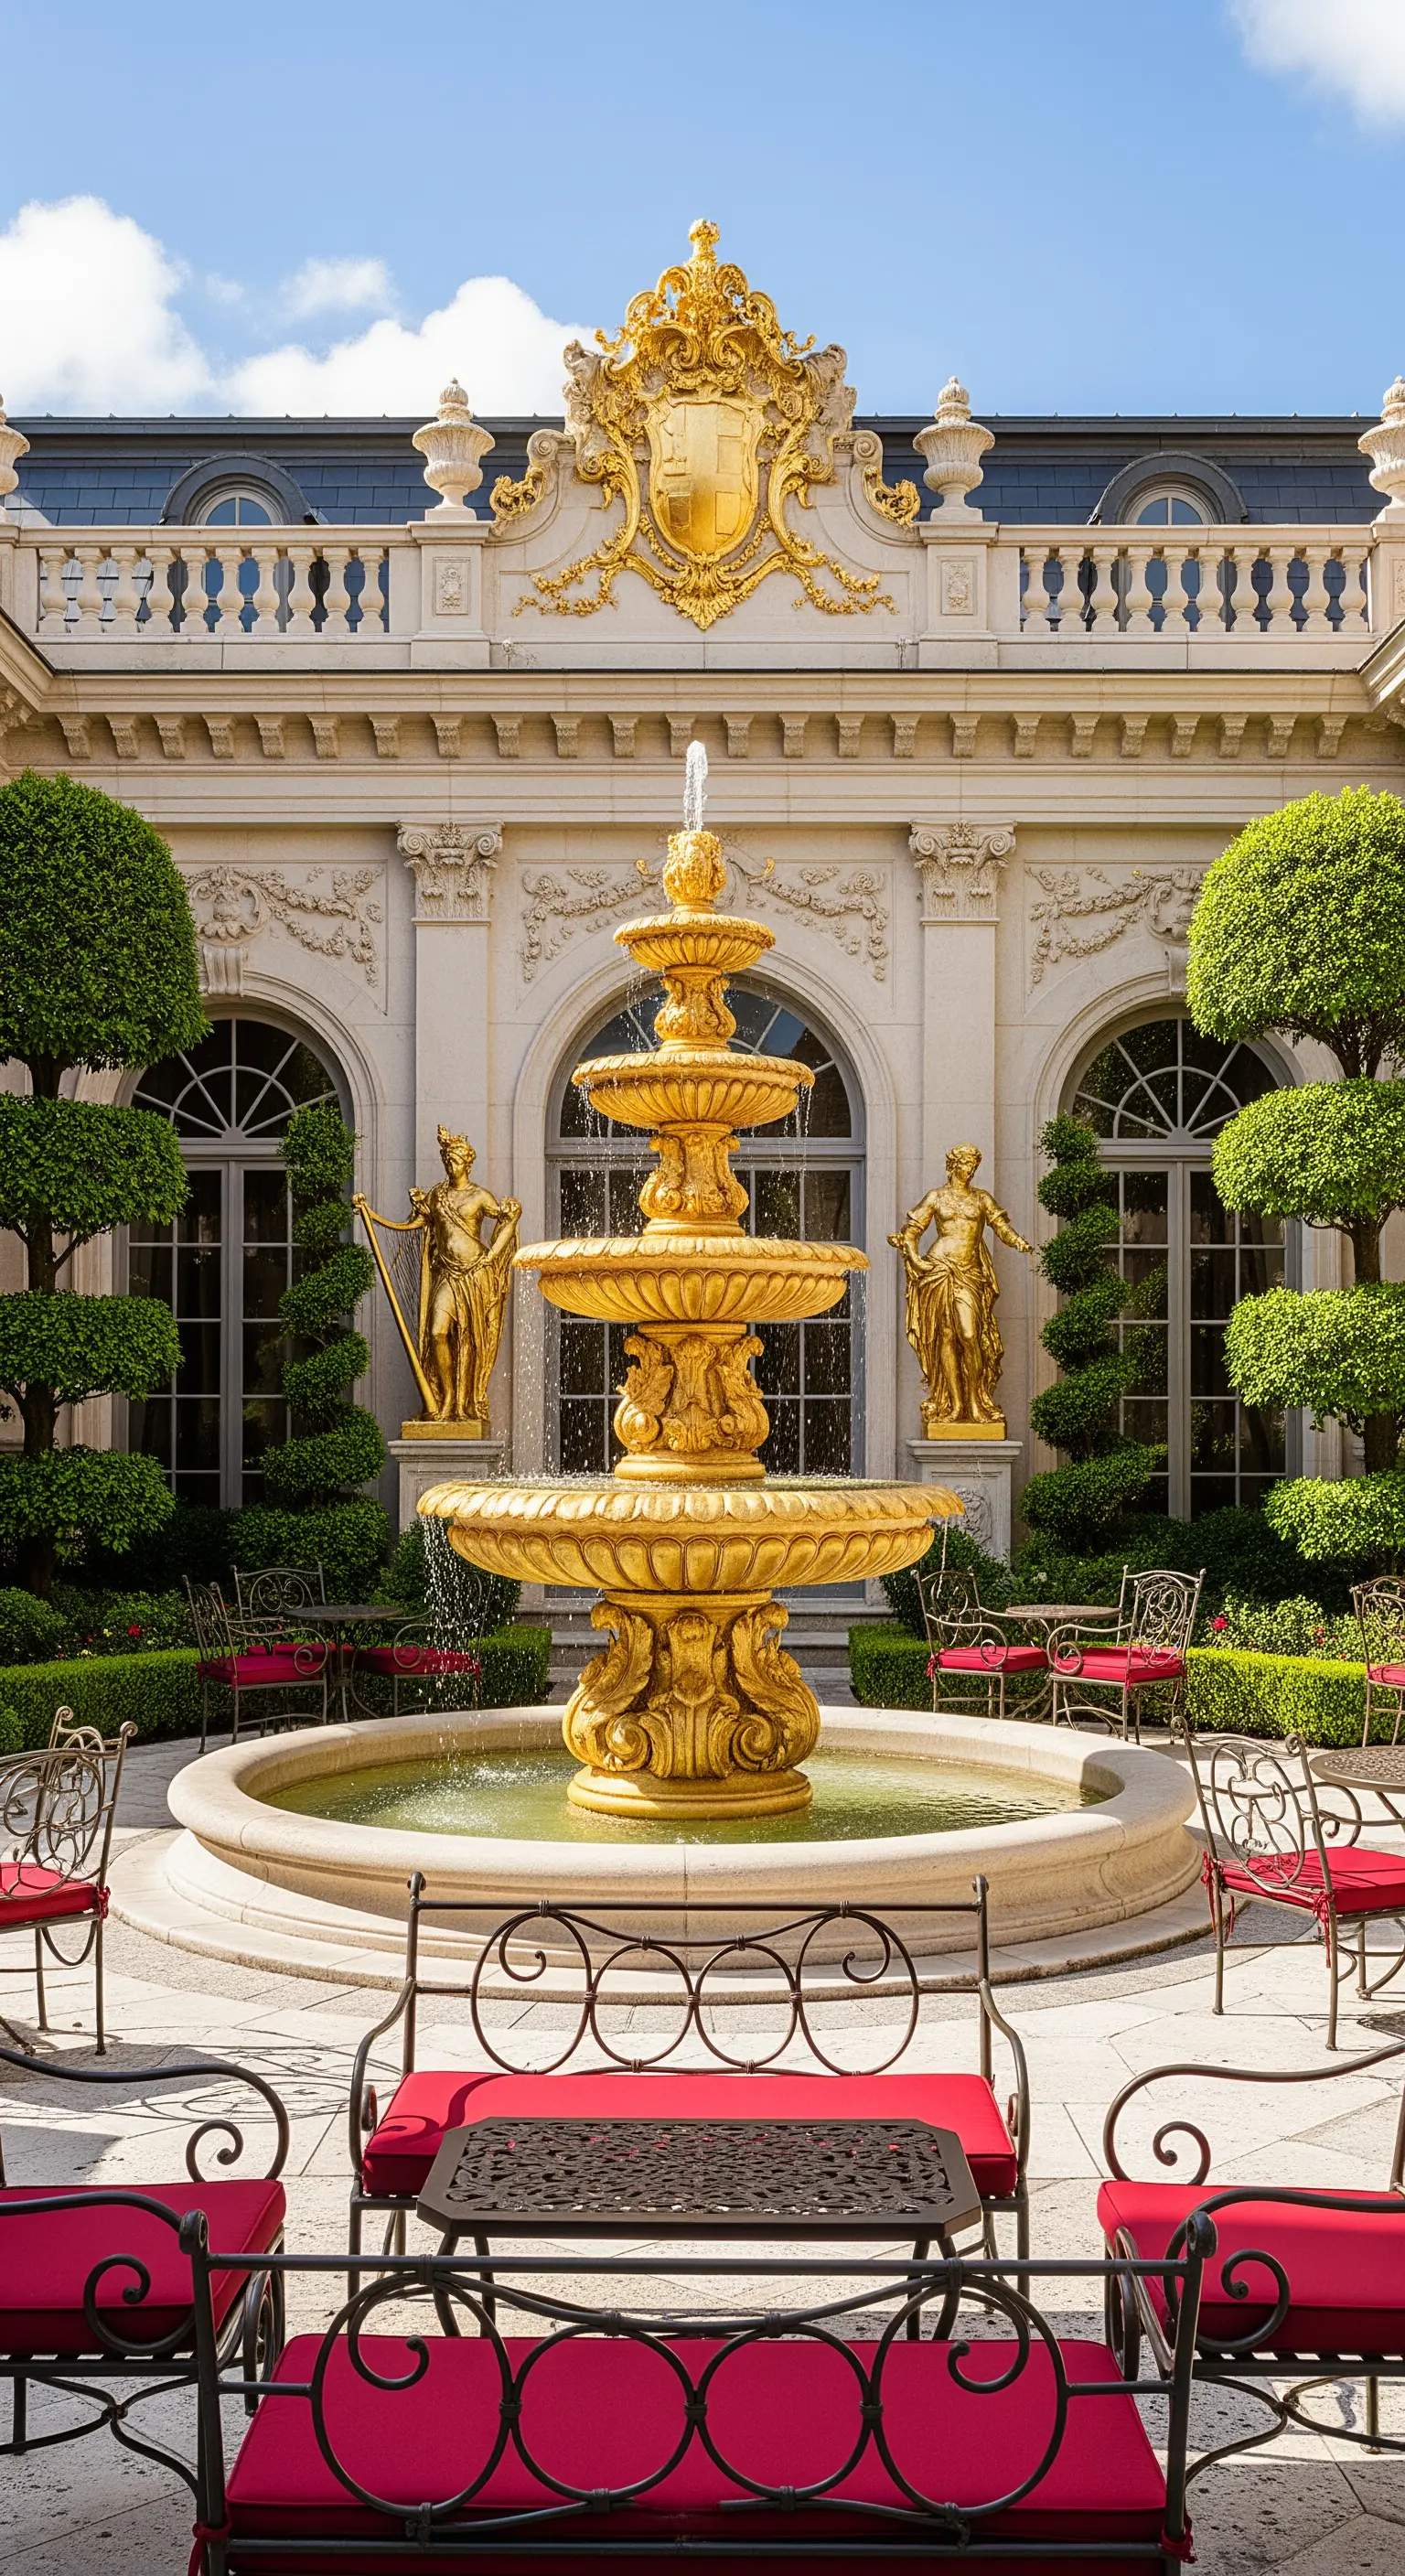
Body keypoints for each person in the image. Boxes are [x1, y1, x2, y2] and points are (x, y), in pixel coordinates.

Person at [889, 1145, 1032, 1432]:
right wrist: (915, 1259)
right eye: (967, 1164)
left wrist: (1017, 1240)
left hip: (970, 1273)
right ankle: (955, 1405)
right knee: (946, 1335)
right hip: (939, 1268)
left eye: (974, 1165)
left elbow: (1000, 1226)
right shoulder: (936, 1196)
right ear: (954, 1165)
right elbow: (912, 1231)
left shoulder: (980, 1199)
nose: (971, 1170)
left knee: (970, 1335)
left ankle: (975, 1401)